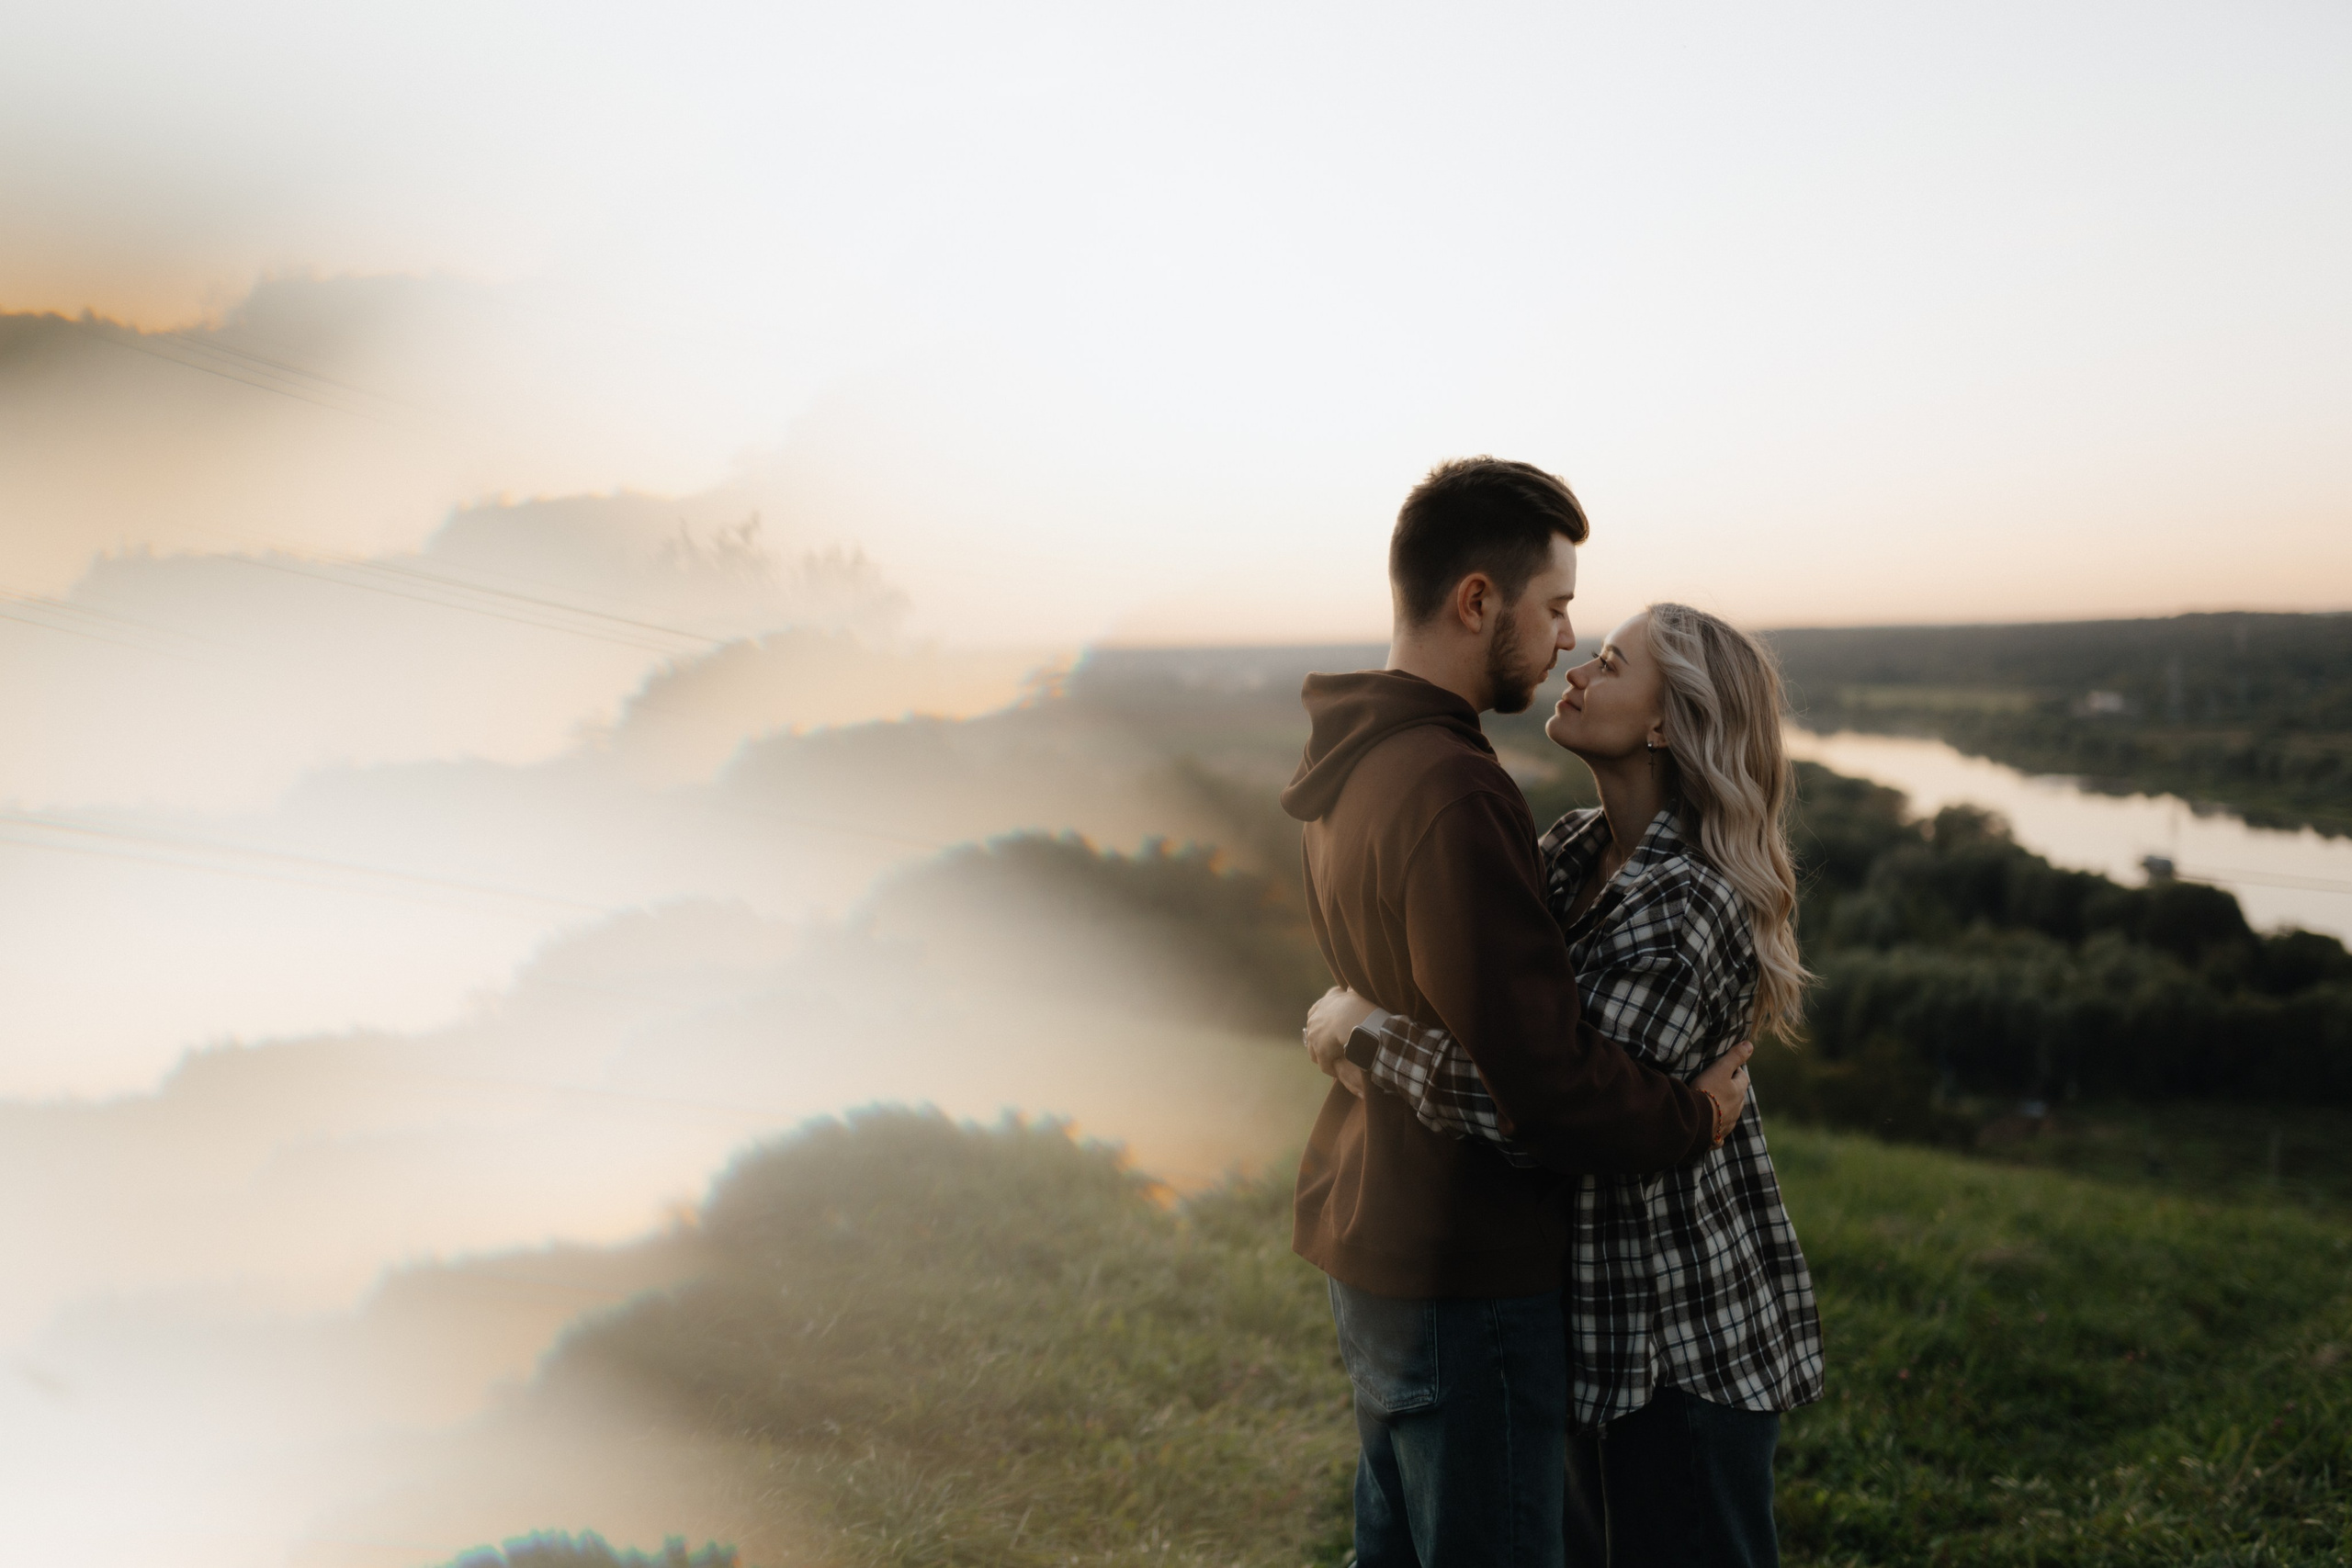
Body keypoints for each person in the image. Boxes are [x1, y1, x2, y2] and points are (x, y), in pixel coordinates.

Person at [1280, 457, 1756, 1568]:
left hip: (1379, 1234)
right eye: (1554, 608)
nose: (1564, 641)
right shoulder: (1456, 787)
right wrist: (1695, 1116)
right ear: (1476, 601)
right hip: (1464, 1263)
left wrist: (1359, 1031)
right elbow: (1540, 1084)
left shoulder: (1359, 758)